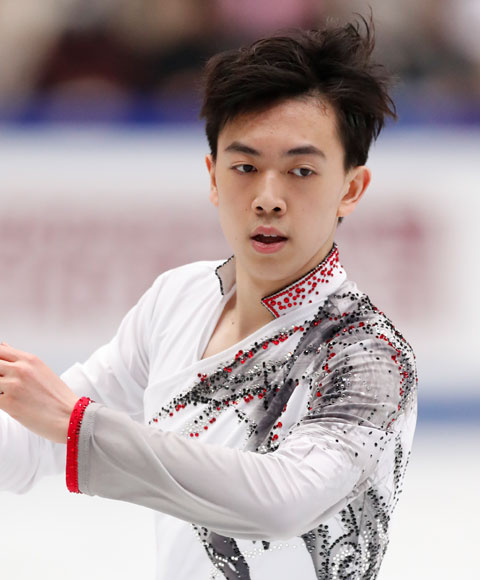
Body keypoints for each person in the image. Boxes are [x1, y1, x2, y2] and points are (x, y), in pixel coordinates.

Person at [0, 18, 417, 580]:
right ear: (214, 178)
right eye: (245, 167)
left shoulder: (370, 355)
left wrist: (79, 425)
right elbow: (28, 443)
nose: (268, 198)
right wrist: (61, 421)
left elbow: (281, 504)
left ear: (350, 188)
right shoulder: (179, 300)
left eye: (300, 171)